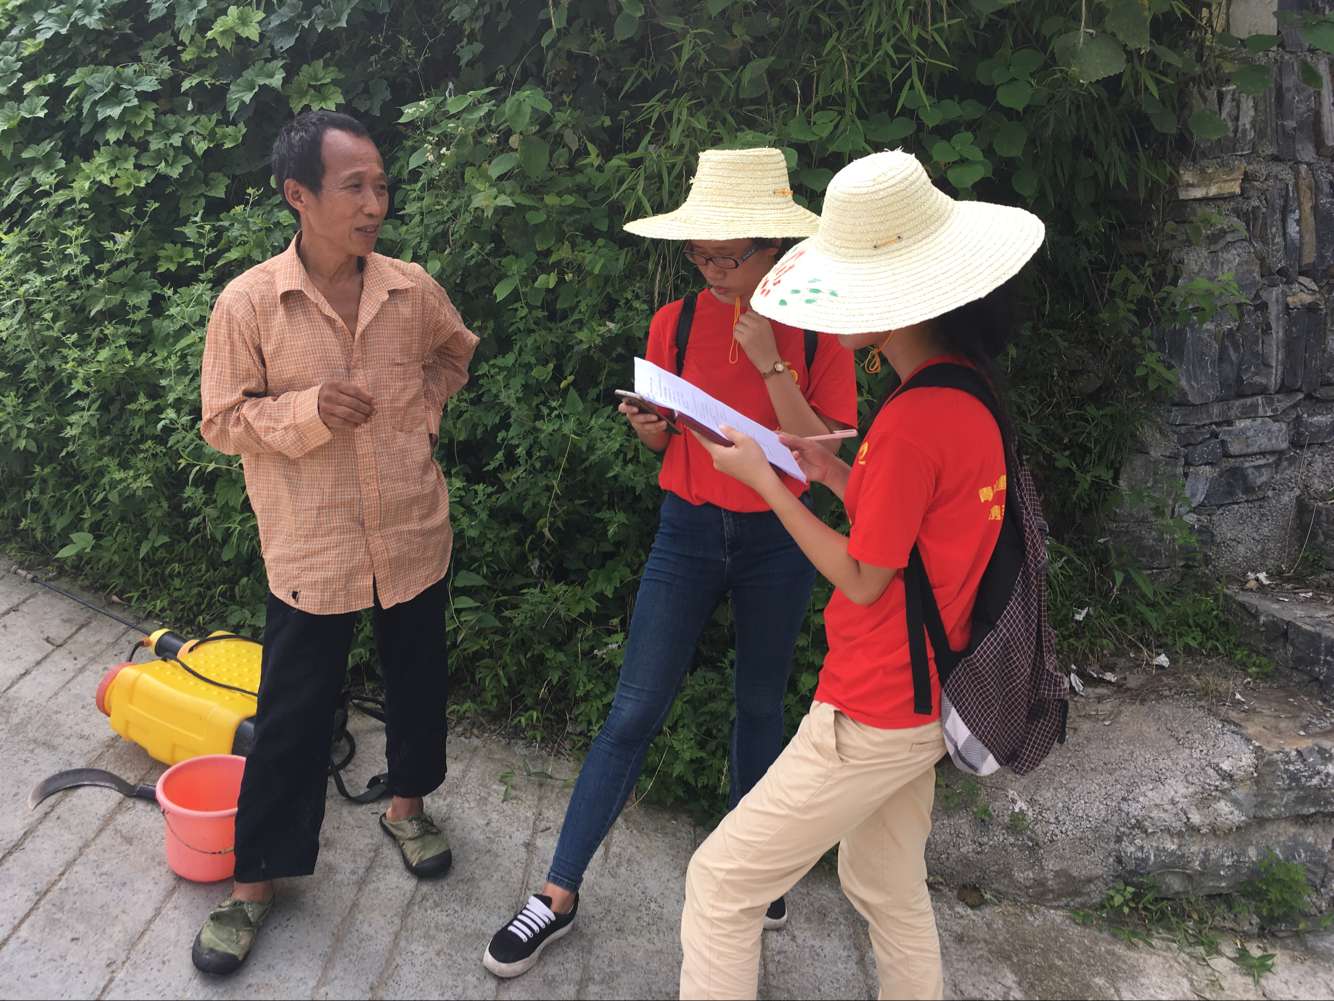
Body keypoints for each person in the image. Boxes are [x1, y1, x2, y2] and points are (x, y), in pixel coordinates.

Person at [677, 149, 1045, 1000]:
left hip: (874, 704)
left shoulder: (913, 422)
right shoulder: (966, 394)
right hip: (929, 694)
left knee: (722, 882)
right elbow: (913, 531)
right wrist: (834, 470)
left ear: (895, 300)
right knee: (884, 883)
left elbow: (864, 576)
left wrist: (767, 481)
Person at [483, 147, 857, 978]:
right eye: (701, 256)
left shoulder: (818, 324)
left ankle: (755, 872)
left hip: (780, 538)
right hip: (686, 529)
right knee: (633, 708)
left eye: (730, 256)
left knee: (759, 706)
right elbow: (670, 434)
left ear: (774, 250)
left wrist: (771, 358)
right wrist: (651, 431)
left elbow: (823, 457)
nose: (714, 271)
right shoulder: (675, 321)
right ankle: (556, 891)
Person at [194, 110, 478, 975]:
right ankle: (254, 881)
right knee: (293, 712)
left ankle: (407, 806)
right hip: (311, 546)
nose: (374, 204)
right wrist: (309, 411)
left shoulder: (410, 289)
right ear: (299, 194)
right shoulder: (250, 302)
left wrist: (421, 418)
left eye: (381, 185)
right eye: (354, 186)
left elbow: (454, 353)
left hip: (410, 528)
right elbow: (222, 420)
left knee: (418, 679)